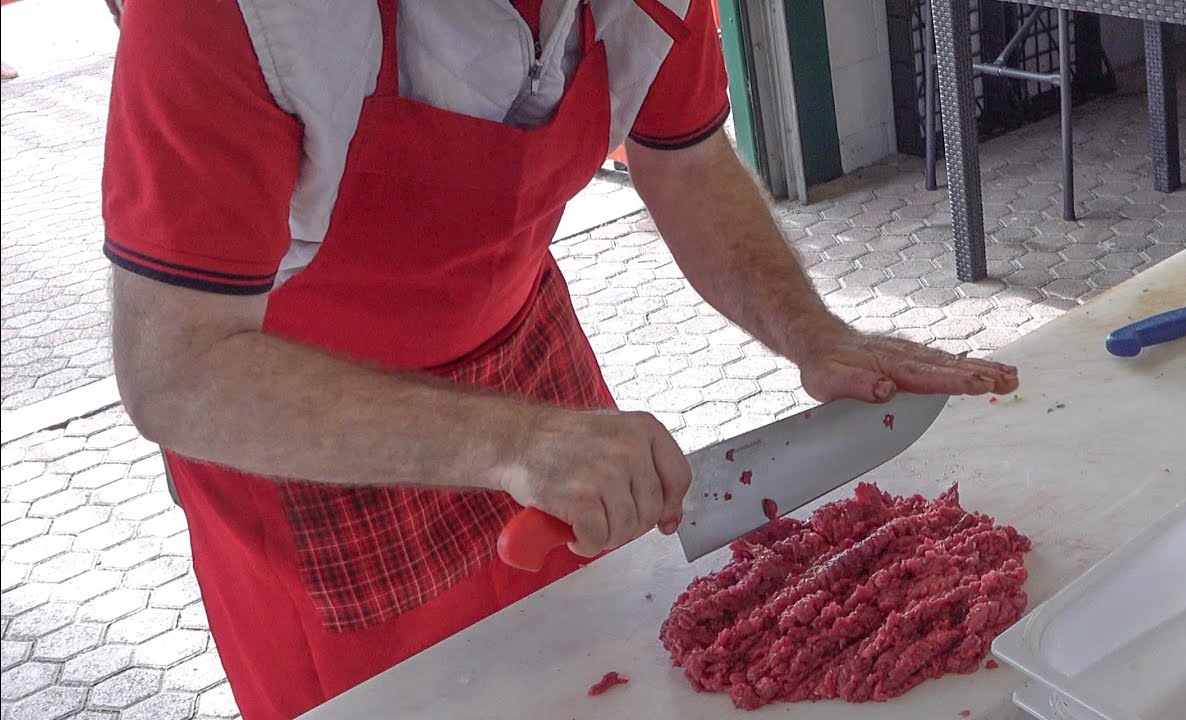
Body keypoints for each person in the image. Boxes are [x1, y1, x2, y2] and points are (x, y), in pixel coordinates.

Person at [103, 0, 1019, 717]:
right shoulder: (238, 15)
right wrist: (513, 444)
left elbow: (688, 162)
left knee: (594, 677)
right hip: (312, 441)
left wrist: (815, 336)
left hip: (534, 376)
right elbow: (177, 370)